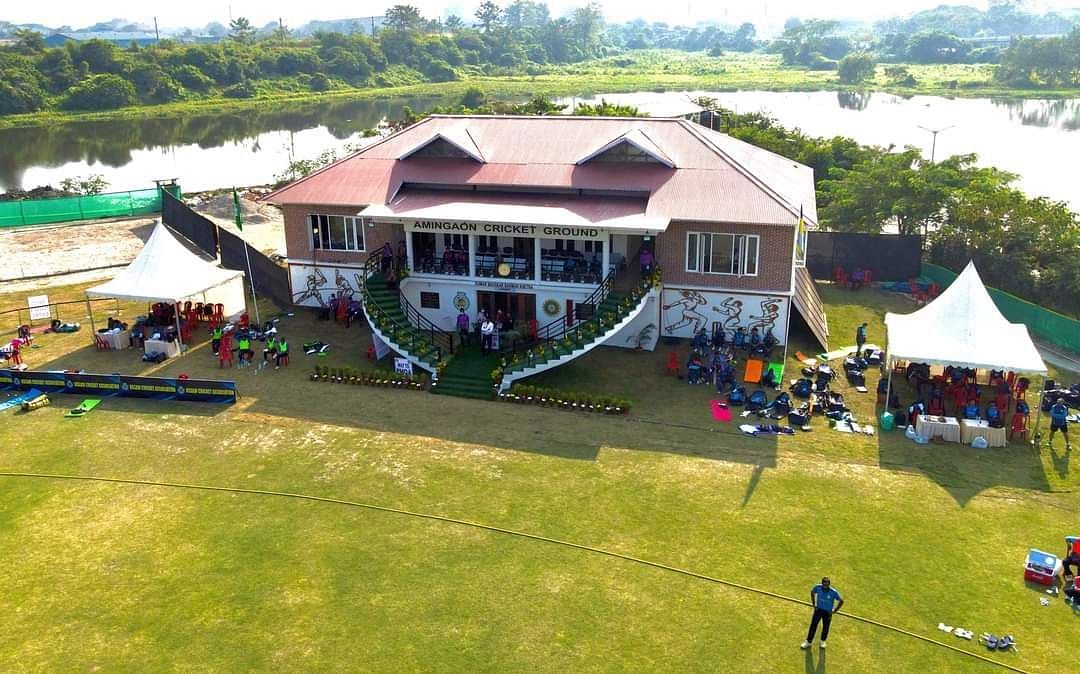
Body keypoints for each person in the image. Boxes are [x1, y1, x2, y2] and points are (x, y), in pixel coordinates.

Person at [801, 577, 844, 649]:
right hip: (818, 610)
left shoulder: (833, 592)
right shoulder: (818, 587)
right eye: (824, 585)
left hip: (828, 613)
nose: (825, 587)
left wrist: (834, 610)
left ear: (829, 585)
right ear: (822, 584)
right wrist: (814, 604)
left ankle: (822, 641)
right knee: (813, 626)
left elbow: (841, 601)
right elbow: (812, 592)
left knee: (826, 627)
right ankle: (808, 642)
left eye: (827, 585)